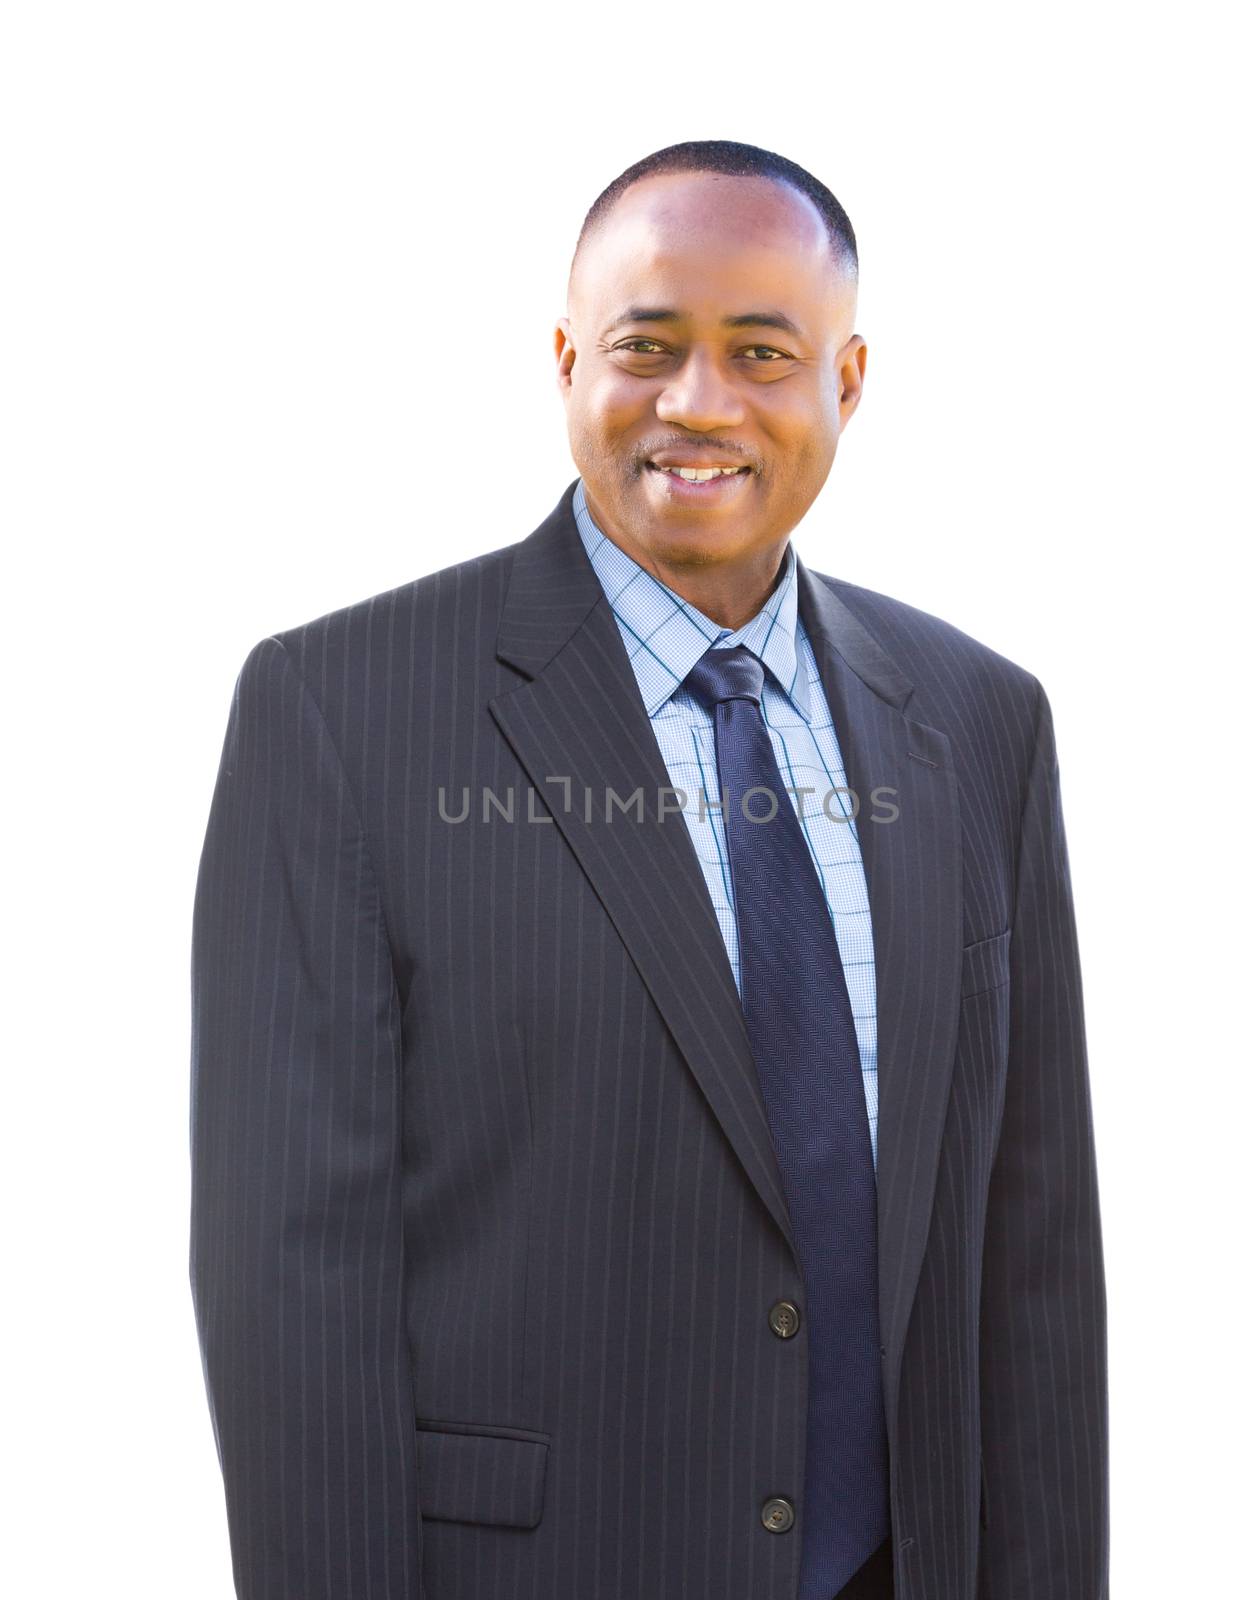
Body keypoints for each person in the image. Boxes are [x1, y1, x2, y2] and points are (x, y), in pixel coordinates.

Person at [189, 138, 1108, 1600]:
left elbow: (1031, 1242)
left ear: (846, 382)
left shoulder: (980, 722)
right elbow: (293, 1280)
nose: (698, 403)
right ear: (565, 359)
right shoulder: (343, 710)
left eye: (761, 352)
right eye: (647, 346)